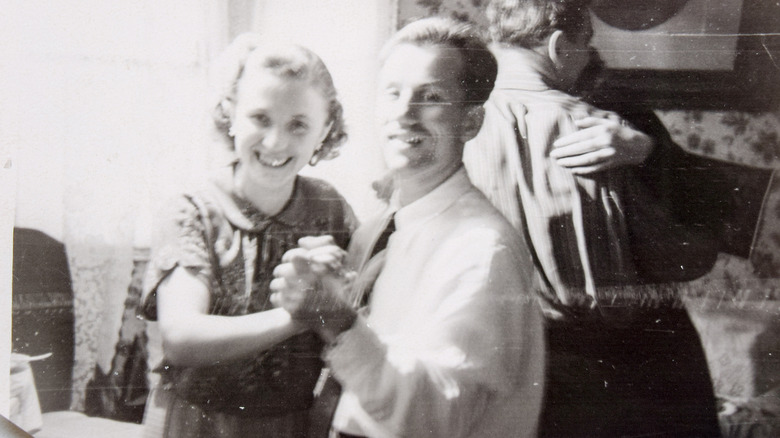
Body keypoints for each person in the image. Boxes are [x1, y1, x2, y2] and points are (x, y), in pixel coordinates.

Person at [270, 17, 546, 438]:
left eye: (430, 96)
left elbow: (432, 417)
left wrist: (336, 320)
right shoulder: (381, 227)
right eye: (393, 93)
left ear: (470, 123)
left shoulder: (483, 250)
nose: (403, 113)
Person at [464, 0, 723, 436]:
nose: (592, 58)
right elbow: (689, 258)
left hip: (505, 365)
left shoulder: (458, 126)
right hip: (615, 373)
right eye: (587, 45)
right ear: (560, 46)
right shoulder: (600, 126)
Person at [139, 35, 356, 438]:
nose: (275, 142)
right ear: (230, 114)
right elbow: (182, 338)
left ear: (324, 130)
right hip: (197, 424)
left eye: (298, 125)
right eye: (260, 118)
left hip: (291, 426)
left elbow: (354, 318)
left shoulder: (331, 211)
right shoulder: (193, 210)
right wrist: (298, 317)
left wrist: (336, 289)